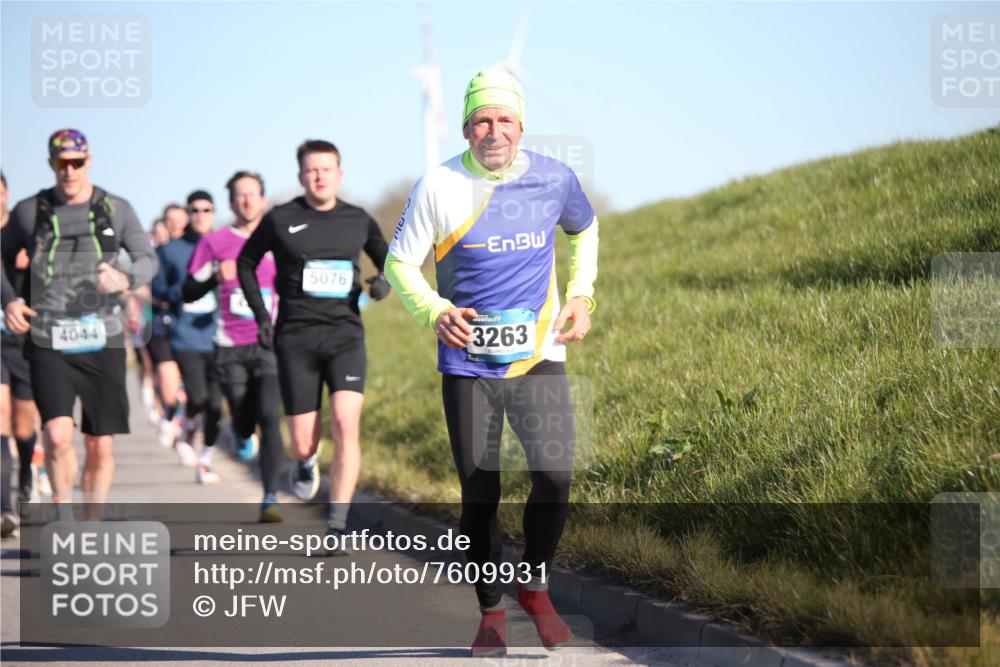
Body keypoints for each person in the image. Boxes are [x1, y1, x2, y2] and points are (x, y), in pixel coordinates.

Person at [384, 68, 599, 656]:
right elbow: (398, 265)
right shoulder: (438, 186)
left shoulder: (555, 178)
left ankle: (533, 581)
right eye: (482, 120)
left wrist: (581, 294)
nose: (494, 130)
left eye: (504, 119)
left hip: (538, 357)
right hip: (467, 366)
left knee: (555, 478)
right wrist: (433, 311)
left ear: (522, 126)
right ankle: (491, 611)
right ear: (465, 128)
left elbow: (585, 230)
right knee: (481, 494)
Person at [237, 140, 391, 550]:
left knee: (345, 422)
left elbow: (389, 263)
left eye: (327, 169)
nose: (320, 176)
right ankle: (306, 462)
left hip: (345, 337)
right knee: (303, 441)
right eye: (312, 170)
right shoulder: (281, 218)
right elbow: (246, 263)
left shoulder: (357, 219)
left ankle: (338, 524)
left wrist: (382, 284)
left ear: (340, 174)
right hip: (295, 339)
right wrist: (261, 315)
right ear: (301, 176)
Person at [1, 129, 158, 511]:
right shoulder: (29, 211)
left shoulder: (116, 209)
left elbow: (146, 257)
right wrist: (9, 301)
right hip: (48, 337)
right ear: (51, 165)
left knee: (100, 446)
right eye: (61, 164)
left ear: (88, 161)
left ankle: (90, 524)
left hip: (102, 337)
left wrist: (125, 278)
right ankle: (63, 511)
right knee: (56, 435)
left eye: (76, 163)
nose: (69, 172)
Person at [184, 171, 284, 521]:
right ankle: (241, 432)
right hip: (229, 346)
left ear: (263, 198)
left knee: (271, 416)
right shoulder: (214, 243)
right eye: (240, 195)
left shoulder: (278, 237)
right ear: (230, 202)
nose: (247, 200)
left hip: (269, 342)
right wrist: (215, 275)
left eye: (253, 193)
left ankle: (270, 497)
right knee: (243, 416)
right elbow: (187, 291)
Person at [152, 192, 222, 481]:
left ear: (214, 213)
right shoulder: (171, 251)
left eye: (207, 209)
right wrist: (183, 291)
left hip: (221, 335)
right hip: (186, 335)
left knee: (216, 405)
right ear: (188, 214)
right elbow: (158, 290)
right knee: (199, 396)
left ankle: (205, 458)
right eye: (195, 210)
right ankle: (187, 423)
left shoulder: (225, 245)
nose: (201, 215)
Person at [1, 170, 40, 536]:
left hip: (24, 342)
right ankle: (3, 507)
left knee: (24, 426)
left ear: (6, 193)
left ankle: (28, 472)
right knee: (0, 422)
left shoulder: (23, 235)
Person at [150, 205, 187, 447]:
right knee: (168, 383)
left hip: (193, 328)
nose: (174, 224)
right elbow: (150, 290)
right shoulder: (156, 255)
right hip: (161, 325)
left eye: (179, 219)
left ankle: (185, 429)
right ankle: (169, 414)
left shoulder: (197, 250)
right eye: (169, 220)